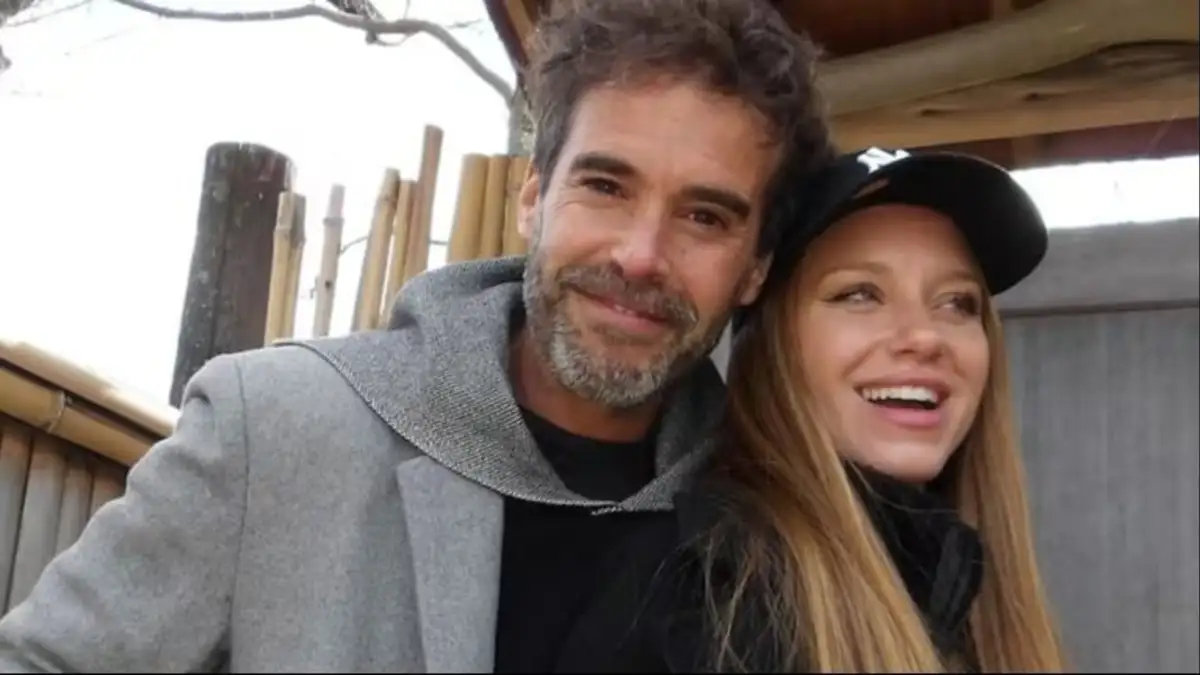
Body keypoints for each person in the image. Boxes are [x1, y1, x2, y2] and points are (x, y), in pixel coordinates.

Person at [0, 0, 832, 672]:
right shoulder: (274, 429)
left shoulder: (779, 534)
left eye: (704, 216)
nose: (641, 255)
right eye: (606, 186)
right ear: (533, 200)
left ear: (756, 268)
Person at [580, 148, 1070, 672]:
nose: (926, 336)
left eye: (957, 302)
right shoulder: (703, 602)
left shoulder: (956, 582)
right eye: (860, 294)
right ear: (770, 345)